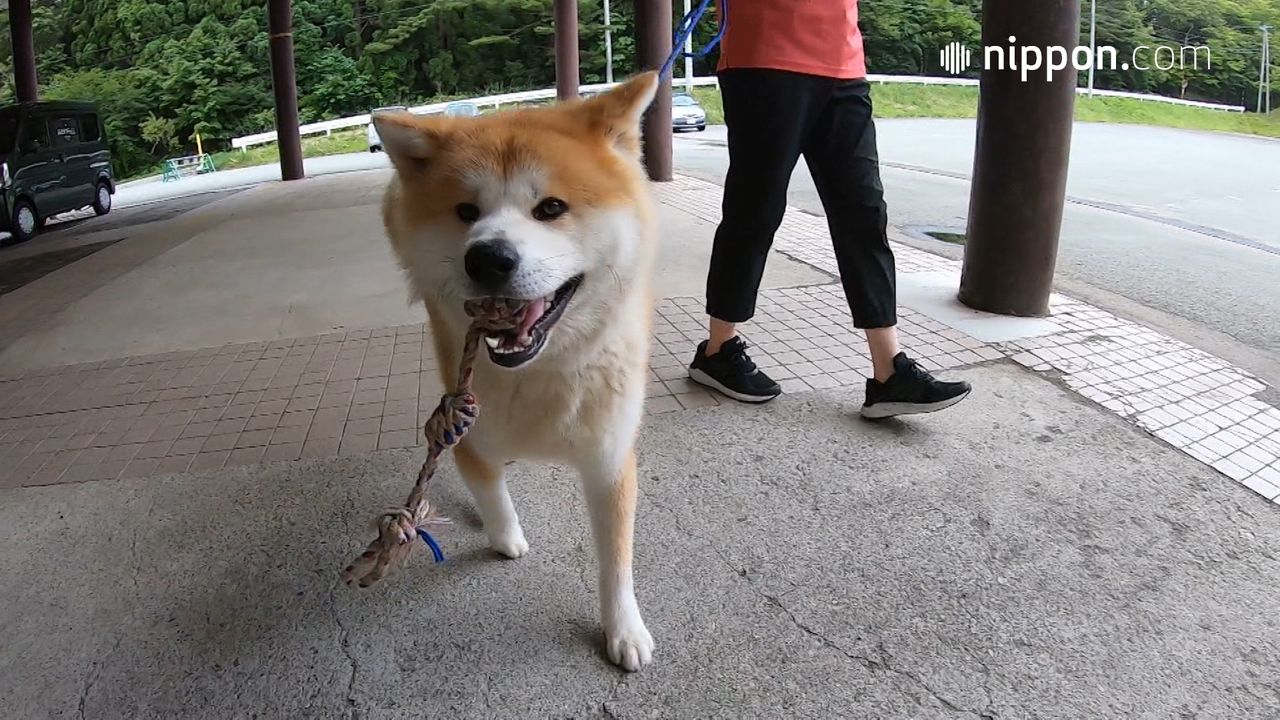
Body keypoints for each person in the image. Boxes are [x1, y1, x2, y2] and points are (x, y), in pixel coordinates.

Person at [687, 0, 972, 419]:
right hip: (765, 56)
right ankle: (717, 350)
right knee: (755, 209)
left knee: (864, 213)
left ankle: (889, 371)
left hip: (842, 63)